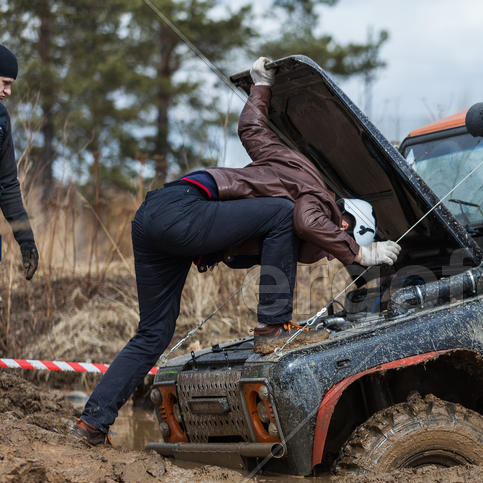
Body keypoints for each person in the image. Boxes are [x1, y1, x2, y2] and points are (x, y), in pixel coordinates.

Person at [72, 57, 400, 445]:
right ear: (344, 223)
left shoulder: (289, 168)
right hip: (184, 207)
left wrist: (261, 86)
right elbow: (307, 222)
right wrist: (361, 255)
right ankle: (273, 329)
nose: (328, 252)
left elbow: (252, 128)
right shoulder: (318, 198)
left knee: (153, 334)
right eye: (336, 244)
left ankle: (92, 425)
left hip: (153, 218)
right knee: (283, 214)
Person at [0, 45, 38, 280]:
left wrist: (26, 240)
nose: (8, 91)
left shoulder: (1, 119)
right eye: (4, 82)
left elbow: (7, 185)